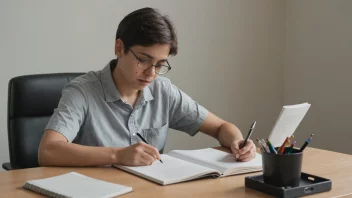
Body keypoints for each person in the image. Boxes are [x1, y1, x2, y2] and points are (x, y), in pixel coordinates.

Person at [38, 7, 256, 167]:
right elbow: (48, 150)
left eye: (160, 64)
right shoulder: (82, 92)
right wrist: (117, 155)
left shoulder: (163, 91)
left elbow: (221, 127)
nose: (151, 73)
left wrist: (238, 141)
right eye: (143, 60)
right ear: (119, 47)